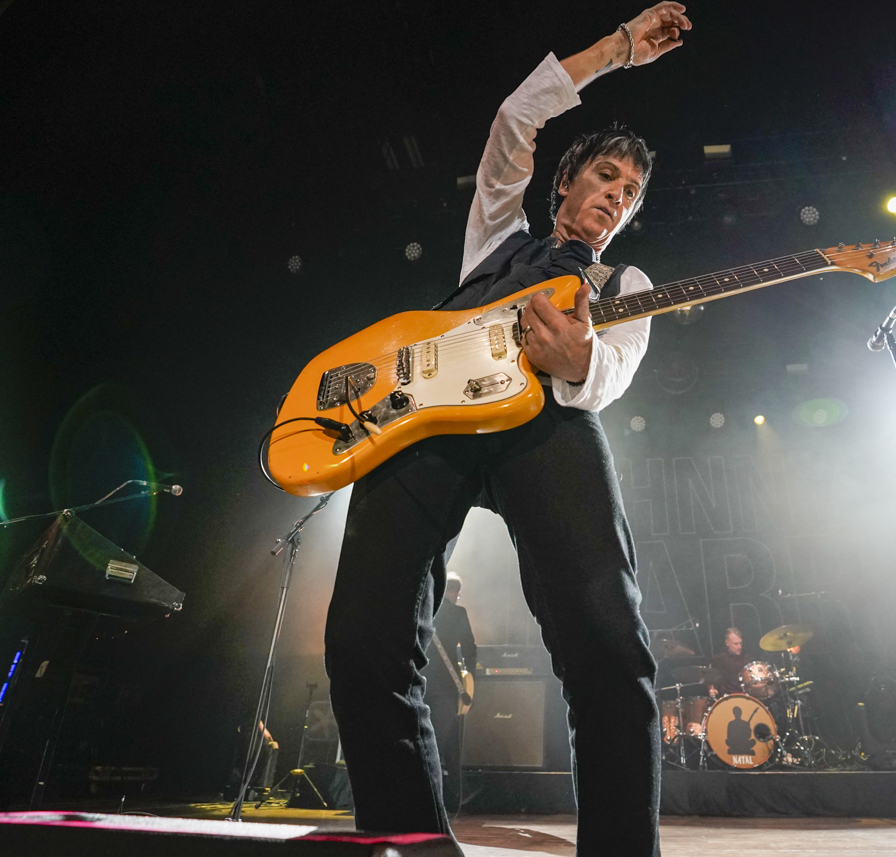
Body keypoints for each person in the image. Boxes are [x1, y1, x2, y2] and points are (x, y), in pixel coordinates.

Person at [323, 5, 692, 854]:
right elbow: (514, 121)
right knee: (362, 639)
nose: (614, 197)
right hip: (429, 429)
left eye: (629, 193)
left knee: (606, 642)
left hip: (546, 427)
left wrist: (574, 363)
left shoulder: (623, 280)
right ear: (565, 184)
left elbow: (612, 371)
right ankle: (408, 840)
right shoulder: (497, 234)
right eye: (604, 177)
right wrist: (621, 50)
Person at [422, 574, 477, 814]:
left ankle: (424, 797)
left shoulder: (425, 610)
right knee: (449, 741)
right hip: (447, 684)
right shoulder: (458, 613)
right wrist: (469, 679)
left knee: (423, 737)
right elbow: (470, 649)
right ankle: (454, 800)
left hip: (421, 681)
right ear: (455, 592)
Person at [709, 627, 750, 698]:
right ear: (727, 643)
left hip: (746, 696)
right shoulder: (719, 659)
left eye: (740, 643)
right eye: (736, 644)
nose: (739, 647)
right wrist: (712, 690)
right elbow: (712, 680)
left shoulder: (747, 659)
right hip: (727, 697)